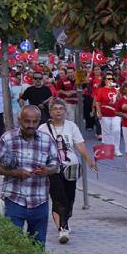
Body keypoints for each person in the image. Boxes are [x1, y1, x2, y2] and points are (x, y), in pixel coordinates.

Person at [0, 105, 60, 246]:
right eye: (27, 121)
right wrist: (14, 173)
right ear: (19, 120)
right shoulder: (7, 138)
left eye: (35, 122)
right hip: (14, 200)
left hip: (39, 200)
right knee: (12, 245)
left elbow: (56, 165)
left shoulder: (47, 140)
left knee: (38, 245)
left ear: (39, 121)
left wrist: (47, 170)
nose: (30, 125)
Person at [43, 98, 95, 244]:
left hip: (71, 167)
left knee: (69, 198)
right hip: (52, 168)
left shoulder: (71, 126)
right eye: (55, 109)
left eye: (61, 109)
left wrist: (89, 160)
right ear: (50, 112)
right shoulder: (43, 128)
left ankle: (65, 219)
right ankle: (63, 228)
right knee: (58, 197)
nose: (58, 111)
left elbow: (80, 144)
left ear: (65, 111)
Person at [94, 72, 123, 157]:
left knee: (116, 130)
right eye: (109, 79)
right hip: (105, 114)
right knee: (107, 132)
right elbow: (98, 102)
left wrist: (118, 91)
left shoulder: (116, 89)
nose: (111, 80)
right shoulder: (101, 90)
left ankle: (116, 149)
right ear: (105, 80)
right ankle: (108, 149)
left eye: (112, 79)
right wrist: (99, 113)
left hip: (116, 114)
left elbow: (121, 99)